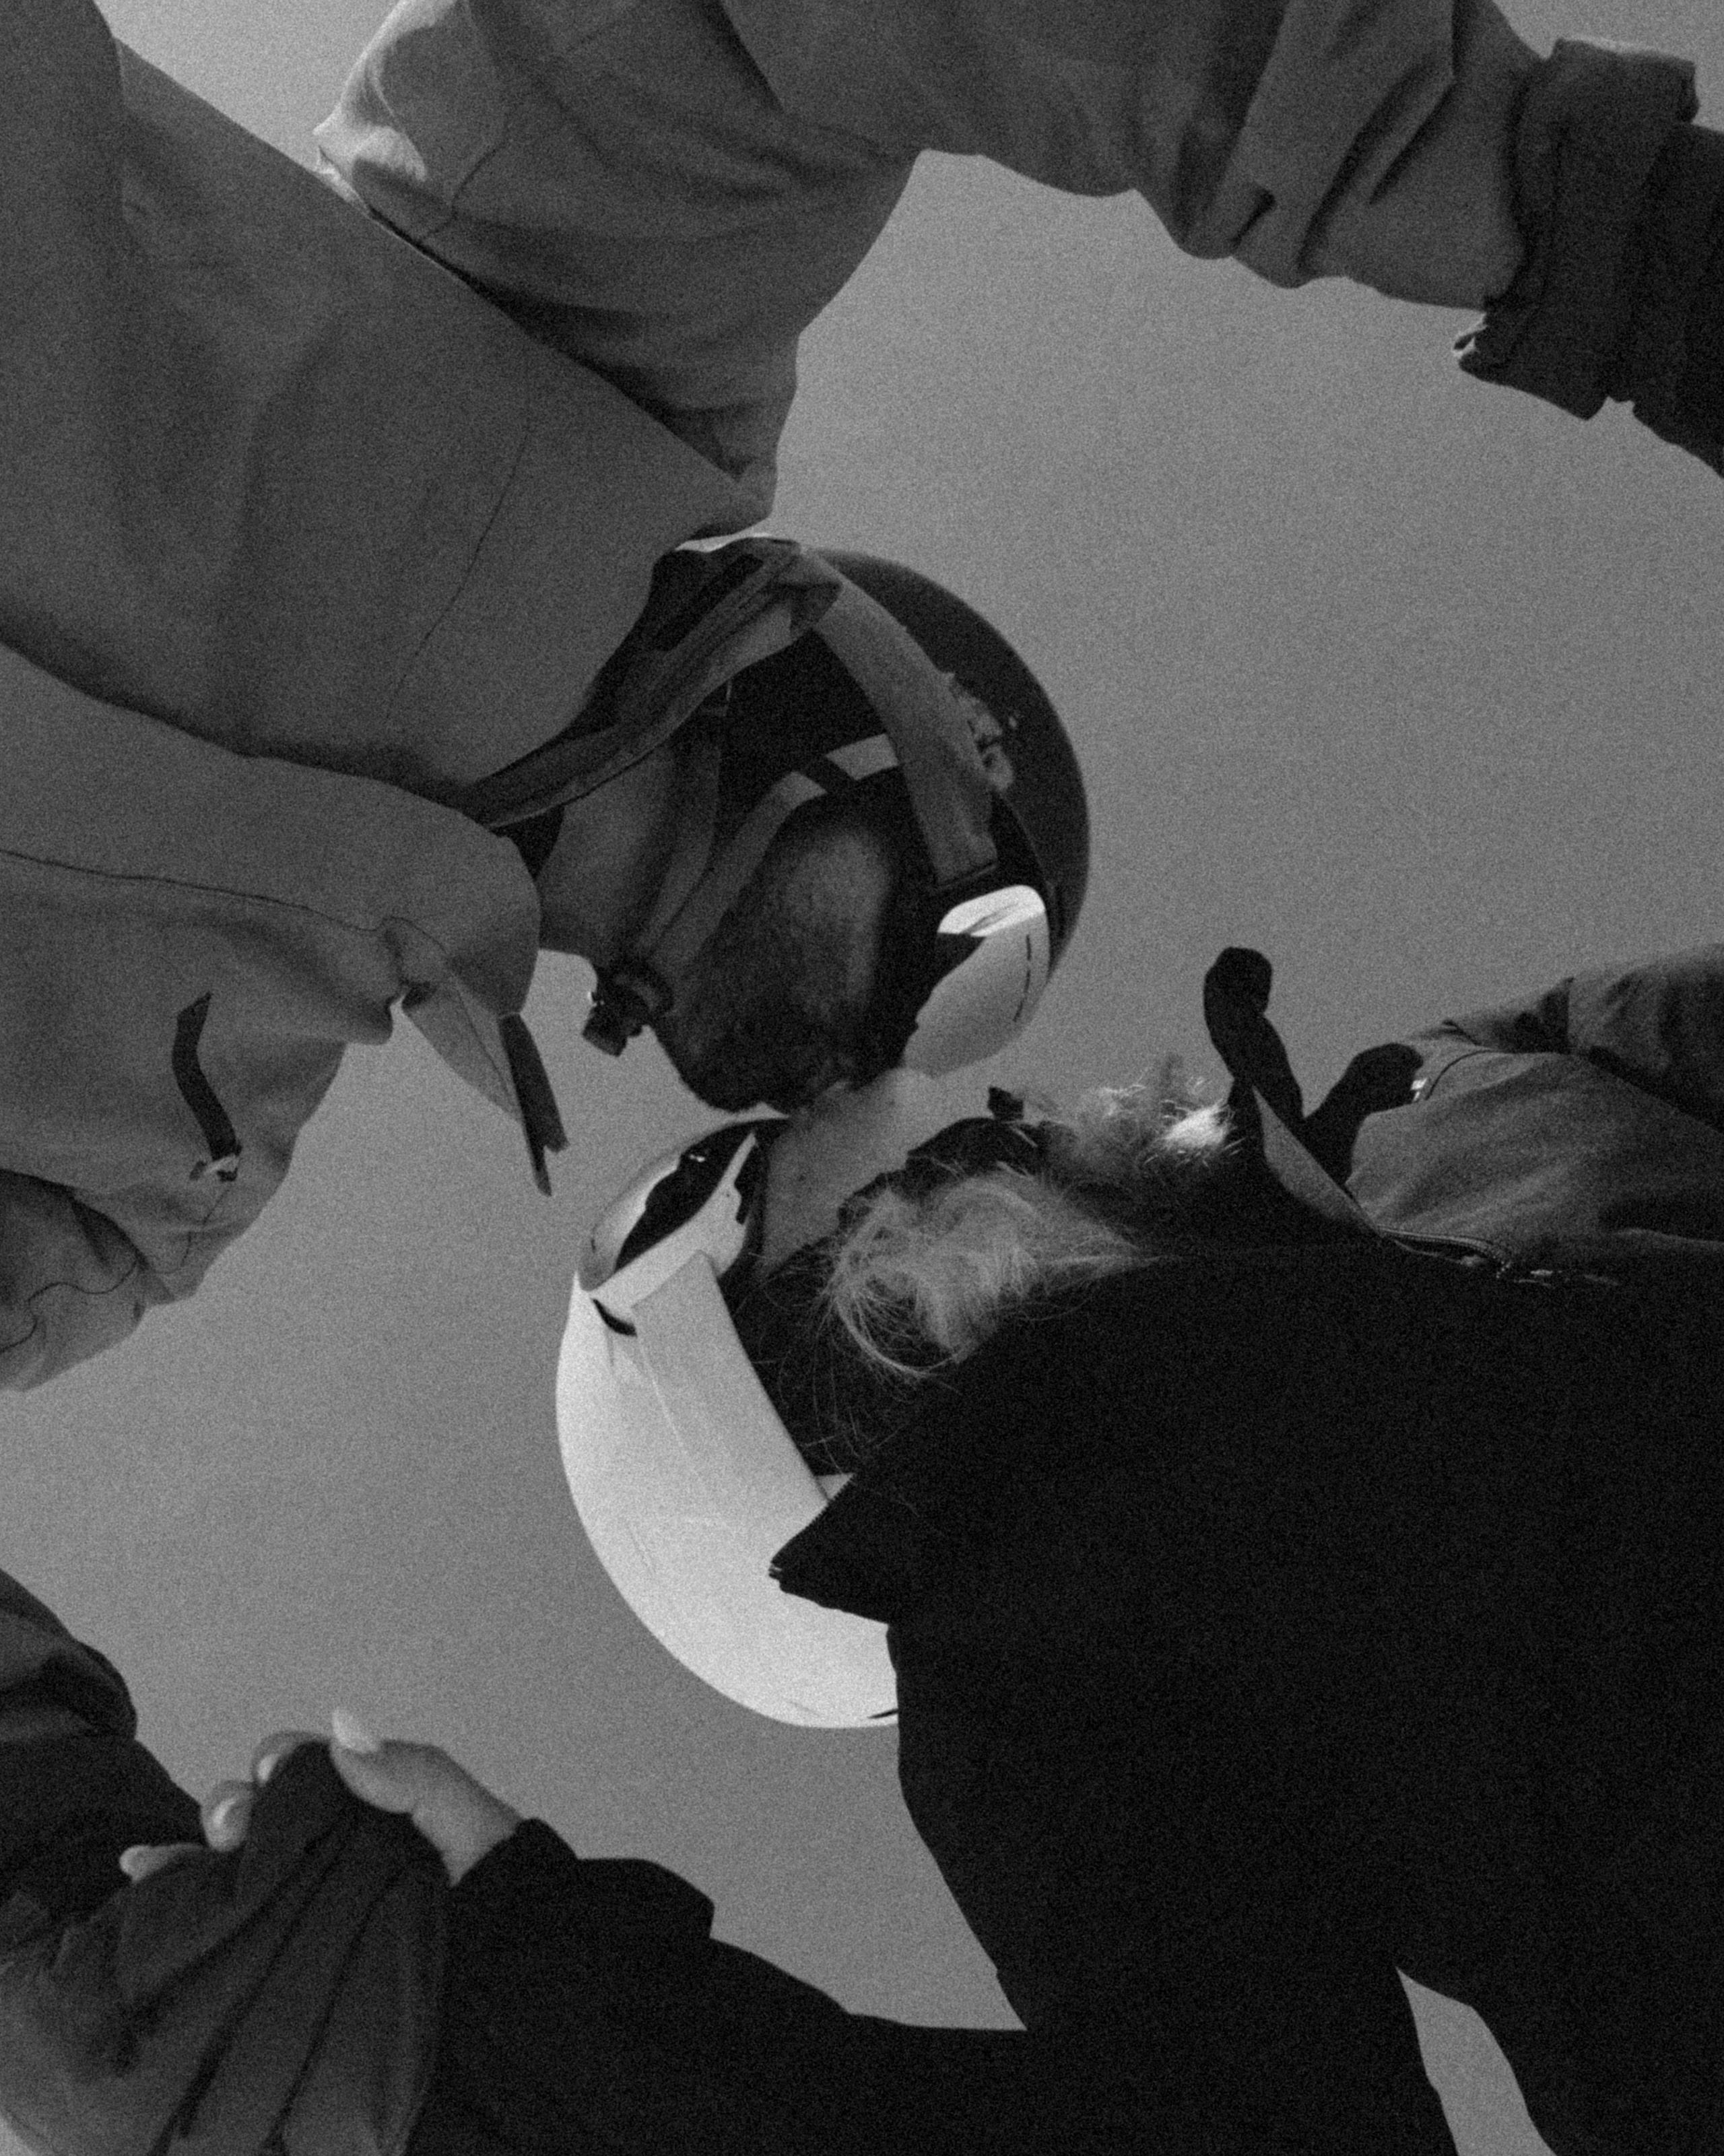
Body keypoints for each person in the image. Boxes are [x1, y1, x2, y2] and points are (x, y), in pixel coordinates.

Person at [7, 0, 1724, 1394]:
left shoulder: (163, 1180)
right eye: (970, 974)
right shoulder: (557, 316)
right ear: (910, 732)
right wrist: (1614, 241)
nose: (886, 1061)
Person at [7, 938, 1724, 2151]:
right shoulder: (1042, 1634)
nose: (1012, 1097)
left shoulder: (1448, 1096)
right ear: (840, 1363)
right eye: (922, 1164)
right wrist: (510, 2000)